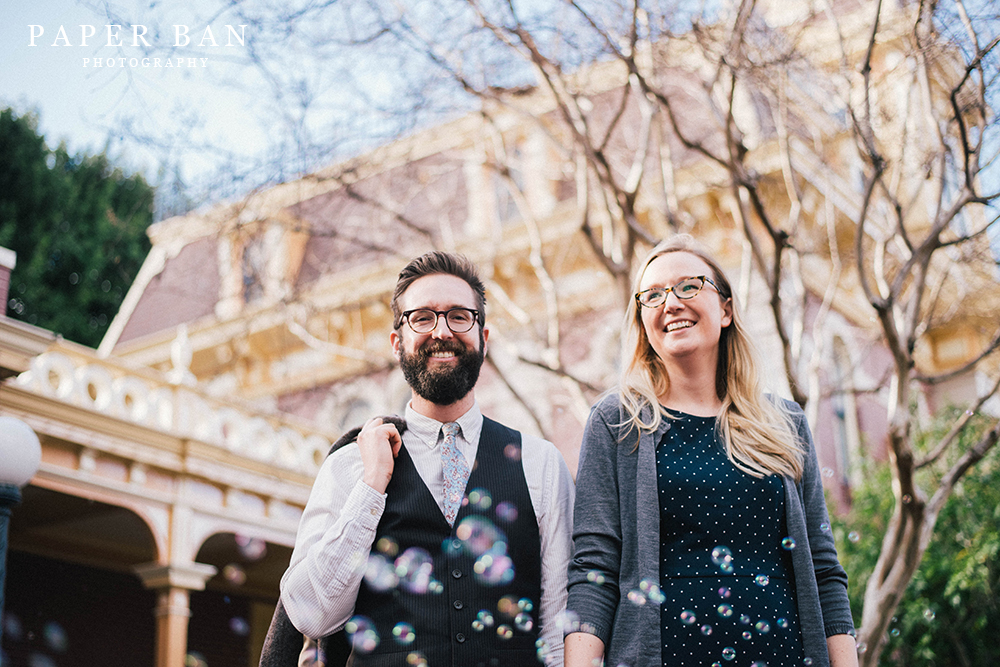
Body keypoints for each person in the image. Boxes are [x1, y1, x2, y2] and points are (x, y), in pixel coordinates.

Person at [565, 236, 858, 667]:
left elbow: (823, 569)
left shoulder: (786, 422)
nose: (671, 302)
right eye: (653, 295)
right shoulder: (617, 421)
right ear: (643, 319)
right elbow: (595, 570)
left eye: (688, 286)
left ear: (725, 309)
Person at [281, 251, 575, 667]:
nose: (441, 331)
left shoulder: (541, 463)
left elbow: (557, 624)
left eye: (459, 316)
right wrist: (371, 487)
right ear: (397, 340)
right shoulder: (350, 466)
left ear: (483, 338)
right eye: (422, 318)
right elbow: (312, 614)